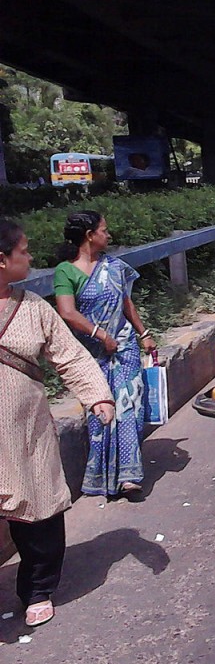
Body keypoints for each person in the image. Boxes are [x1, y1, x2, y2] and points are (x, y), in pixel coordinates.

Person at [1, 218, 115, 627]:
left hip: (25, 434)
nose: (30, 257)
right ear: (2, 259)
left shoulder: (33, 308)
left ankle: (37, 588)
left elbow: (70, 356)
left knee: (39, 515)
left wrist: (97, 395)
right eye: (24, 251)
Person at [53, 211, 157, 499]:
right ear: (90, 236)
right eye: (104, 230)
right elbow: (67, 312)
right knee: (101, 411)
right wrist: (101, 336)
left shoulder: (113, 266)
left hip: (124, 348)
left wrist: (143, 333)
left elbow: (126, 302)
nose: (108, 235)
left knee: (128, 407)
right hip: (92, 355)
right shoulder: (65, 271)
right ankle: (101, 475)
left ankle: (129, 476)